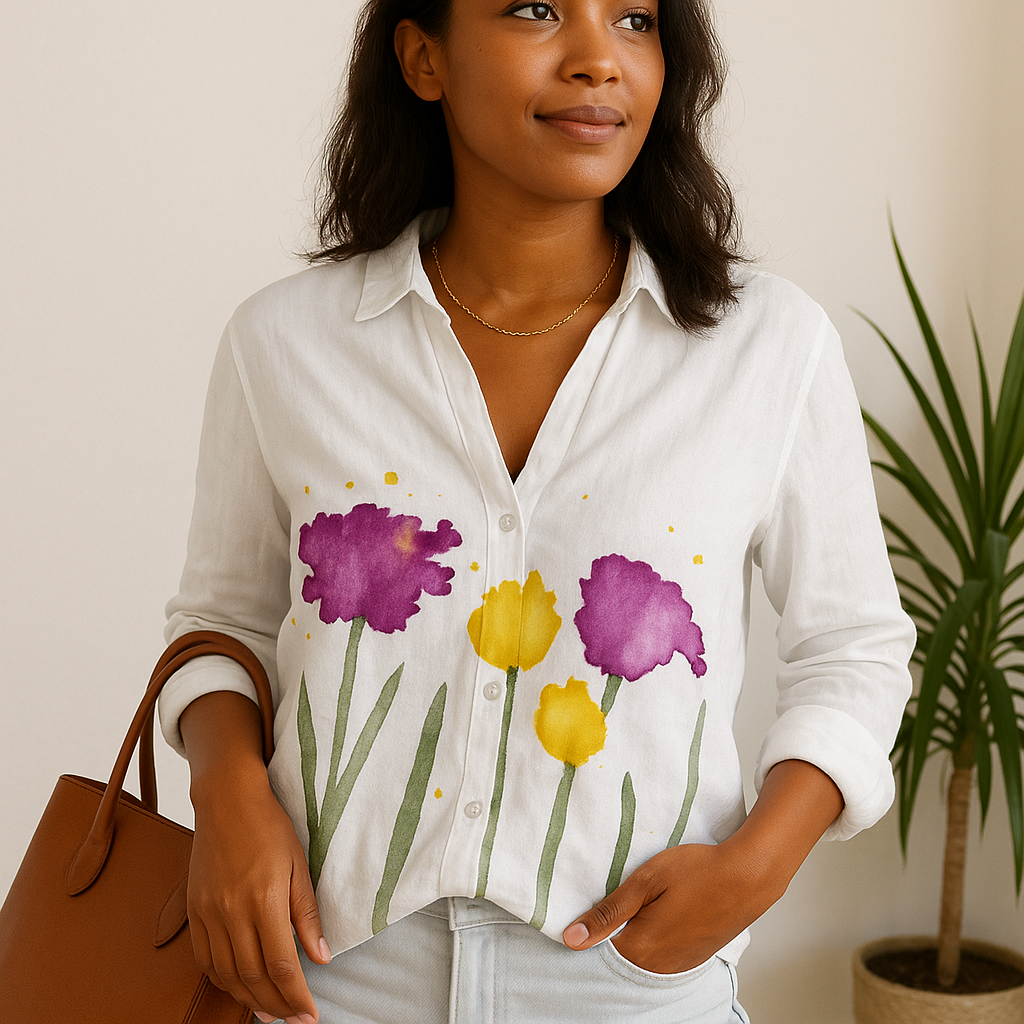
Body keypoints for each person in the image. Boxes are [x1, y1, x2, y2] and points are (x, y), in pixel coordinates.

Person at [158, 0, 914, 1020]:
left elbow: (855, 644)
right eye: (535, 10)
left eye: (636, 20)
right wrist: (227, 797)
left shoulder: (767, 348)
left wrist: (757, 865)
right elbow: (224, 620)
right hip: (328, 972)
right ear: (424, 57)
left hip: (631, 977)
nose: (598, 59)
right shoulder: (287, 343)